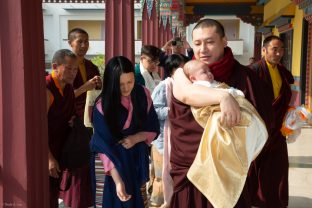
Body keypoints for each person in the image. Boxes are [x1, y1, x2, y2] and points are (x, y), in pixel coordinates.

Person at [168, 18, 273, 208]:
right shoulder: (184, 75)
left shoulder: (247, 79)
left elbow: (261, 124)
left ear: (224, 41)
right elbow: (182, 112)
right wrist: (223, 98)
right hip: (191, 173)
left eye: (210, 42)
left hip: (230, 173)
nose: (202, 49)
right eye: (197, 43)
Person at [183, 60, 268, 208]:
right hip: (214, 113)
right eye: (204, 72)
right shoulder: (199, 88)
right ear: (193, 79)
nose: (209, 74)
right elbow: (208, 100)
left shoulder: (215, 83)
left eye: (209, 70)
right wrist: (229, 94)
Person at [90, 56, 160, 208]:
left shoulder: (143, 94)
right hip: (108, 163)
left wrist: (136, 138)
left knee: (137, 201)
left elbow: (153, 125)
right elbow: (103, 144)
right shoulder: (103, 105)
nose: (126, 88)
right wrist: (117, 181)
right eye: (120, 84)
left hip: (134, 157)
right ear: (111, 83)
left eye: (130, 82)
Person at [248, 35, 294, 207]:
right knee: (256, 164)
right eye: (275, 49)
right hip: (260, 127)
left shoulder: (281, 71)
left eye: (281, 49)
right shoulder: (253, 71)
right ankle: (254, 198)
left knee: (278, 164)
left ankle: (276, 199)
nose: (279, 53)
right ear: (264, 50)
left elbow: (285, 95)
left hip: (278, 128)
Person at [63, 27, 101, 208]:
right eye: (80, 41)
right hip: (71, 122)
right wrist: (85, 87)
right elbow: (64, 95)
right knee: (76, 165)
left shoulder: (90, 66)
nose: (84, 45)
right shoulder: (65, 67)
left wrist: (98, 85)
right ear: (70, 43)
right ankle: (74, 202)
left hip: (88, 121)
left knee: (87, 165)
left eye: (86, 41)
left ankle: (86, 201)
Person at [150, 54, 186, 208]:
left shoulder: (185, 87)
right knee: (160, 178)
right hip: (162, 141)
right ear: (172, 70)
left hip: (178, 140)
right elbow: (154, 110)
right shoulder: (164, 86)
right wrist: (175, 111)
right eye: (181, 68)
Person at [46, 49, 78, 208]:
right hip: (47, 152)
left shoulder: (69, 89)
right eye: (69, 68)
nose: (73, 73)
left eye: (75, 69)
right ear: (55, 66)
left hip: (61, 149)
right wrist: (49, 157)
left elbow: (70, 114)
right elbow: (38, 128)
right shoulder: (47, 88)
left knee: (53, 196)